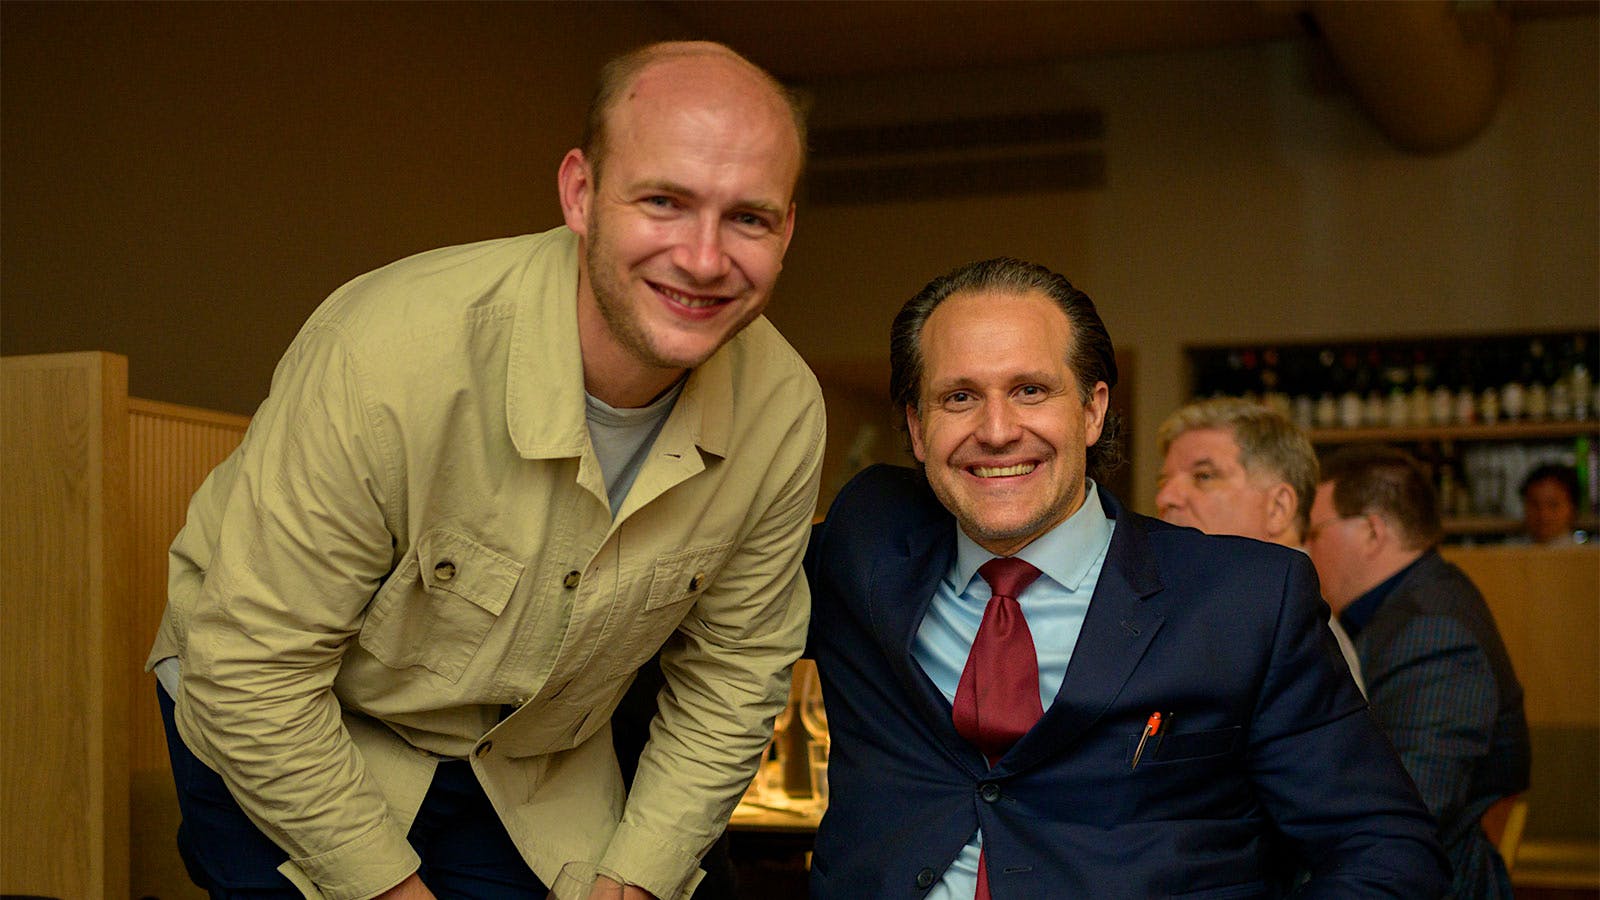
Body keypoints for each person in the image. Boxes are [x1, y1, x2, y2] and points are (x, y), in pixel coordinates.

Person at [146, 41, 824, 900]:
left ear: (787, 227)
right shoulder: (385, 353)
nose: (701, 257)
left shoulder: (786, 411)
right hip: (279, 716)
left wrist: (639, 876)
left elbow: (732, 676)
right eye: (664, 201)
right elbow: (252, 671)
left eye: (749, 219)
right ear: (580, 193)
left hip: (530, 760)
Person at [804, 257, 1448, 899]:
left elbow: (1386, 854)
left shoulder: (1244, 600)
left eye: (1031, 390)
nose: (996, 432)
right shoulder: (866, 541)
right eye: (959, 397)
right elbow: (714, 602)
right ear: (918, 427)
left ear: (1092, 411)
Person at [1306, 445, 1531, 900]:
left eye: (1314, 532)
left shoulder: (1431, 629)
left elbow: (1409, 809)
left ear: (1372, 530)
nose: (1306, 549)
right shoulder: (1413, 602)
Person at [1155, 397, 1364, 692]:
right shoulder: (1234, 618)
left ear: (1278, 508)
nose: (1166, 499)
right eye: (1163, 482)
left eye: (1204, 476)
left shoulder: (1295, 635)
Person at [1520, 462, 1585, 544]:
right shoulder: (1509, 553)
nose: (1543, 514)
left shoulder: (1587, 555)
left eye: (1553, 505)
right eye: (1534, 504)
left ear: (1573, 508)